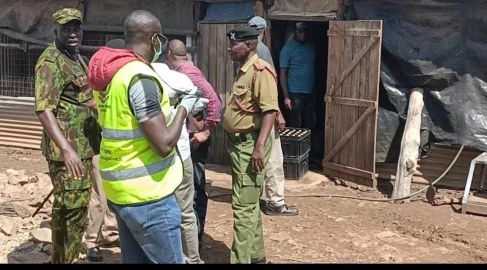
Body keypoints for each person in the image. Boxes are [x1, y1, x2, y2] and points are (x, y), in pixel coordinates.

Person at [87, 10, 208, 264]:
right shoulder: (140, 77)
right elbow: (164, 144)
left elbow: (129, 116)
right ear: (154, 40)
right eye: (160, 40)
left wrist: (169, 104)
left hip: (120, 191)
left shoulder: (112, 76)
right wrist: (185, 106)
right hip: (148, 195)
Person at [34, 8, 100, 264]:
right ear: (56, 31)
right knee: (71, 211)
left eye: (76, 28)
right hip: (70, 152)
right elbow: (44, 109)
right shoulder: (51, 62)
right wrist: (65, 149)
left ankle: (63, 258)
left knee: (71, 209)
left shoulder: (75, 57)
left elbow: (85, 98)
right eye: (66, 29)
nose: (72, 33)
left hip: (84, 148)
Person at [224, 25, 279, 264]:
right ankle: (256, 255)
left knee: (243, 207)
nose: (229, 48)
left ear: (249, 46)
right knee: (249, 201)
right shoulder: (244, 71)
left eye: (234, 44)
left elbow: (270, 111)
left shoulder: (260, 71)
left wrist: (259, 146)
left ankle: (240, 260)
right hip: (239, 146)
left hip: (250, 146)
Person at [165, 39, 222, 249]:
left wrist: (206, 131)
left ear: (170, 55)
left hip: (196, 140)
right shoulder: (187, 71)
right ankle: (192, 237)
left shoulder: (188, 74)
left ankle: (195, 237)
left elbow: (215, 102)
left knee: (196, 189)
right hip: (190, 138)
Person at [152, 51, 203, 264]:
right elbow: (201, 110)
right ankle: (192, 258)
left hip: (152, 158)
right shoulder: (181, 80)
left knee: (157, 212)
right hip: (180, 153)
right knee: (186, 212)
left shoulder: (138, 78)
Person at [248, 16, 299, 216]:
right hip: (265, 113)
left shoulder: (244, 48)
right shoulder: (262, 50)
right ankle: (276, 202)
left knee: (257, 156)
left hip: (251, 114)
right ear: (264, 30)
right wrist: (277, 113)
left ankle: (255, 197)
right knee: (274, 158)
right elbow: (269, 84)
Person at [83, 39, 124, 262]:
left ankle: (110, 233)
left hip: (120, 148)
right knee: (100, 196)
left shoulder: (122, 76)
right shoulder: (99, 76)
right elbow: (89, 101)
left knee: (113, 194)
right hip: (102, 146)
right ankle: (91, 241)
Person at [279, 22, 317, 130]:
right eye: (300, 31)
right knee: (296, 124)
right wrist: (286, 96)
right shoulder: (287, 49)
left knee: (311, 124)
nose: (303, 34)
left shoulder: (312, 47)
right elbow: (283, 73)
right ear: (294, 32)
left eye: (305, 31)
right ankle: (294, 147)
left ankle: (311, 146)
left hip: (310, 93)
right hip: (295, 94)